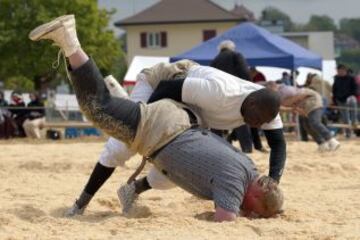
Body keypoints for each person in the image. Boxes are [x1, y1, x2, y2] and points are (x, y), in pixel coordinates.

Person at [29, 14, 284, 222]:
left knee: (169, 175)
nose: (257, 125)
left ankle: (132, 189)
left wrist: (273, 187)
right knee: (110, 129)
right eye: (256, 212)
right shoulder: (220, 91)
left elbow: (278, 145)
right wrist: (144, 123)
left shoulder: (258, 135)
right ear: (250, 101)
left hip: (186, 121)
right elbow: (166, 88)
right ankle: (70, 39)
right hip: (163, 86)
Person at [210, 40, 267, 153]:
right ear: (232, 48)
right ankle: (246, 148)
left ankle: (217, 148)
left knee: (216, 121)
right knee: (240, 119)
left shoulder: (214, 60)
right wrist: (250, 88)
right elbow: (244, 72)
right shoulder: (236, 55)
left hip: (217, 93)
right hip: (234, 90)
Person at [266, 82, 340, 151]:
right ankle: (322, 144)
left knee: (315, 122)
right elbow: (283, 106)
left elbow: (302, 95)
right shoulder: (276, 96)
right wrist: (294, 107)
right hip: (304, 104)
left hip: (311, 99)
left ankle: (332, 140)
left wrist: (289, 104)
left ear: (275, 86)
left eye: (270, 90)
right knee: (307, 125)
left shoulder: (285, 90)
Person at [333, 64, 358, 138]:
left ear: (345, 71)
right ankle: (348, 133)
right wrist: (335, 100)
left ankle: (354, 122)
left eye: (340, 71)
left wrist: (350, 95)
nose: (339, 72)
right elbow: (334, 90)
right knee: (345, 118)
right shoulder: (336, 78)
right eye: (338, 71)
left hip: (349, 98)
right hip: (340, 100)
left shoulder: (351, 78)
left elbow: (355, 89)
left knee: (352, 101)